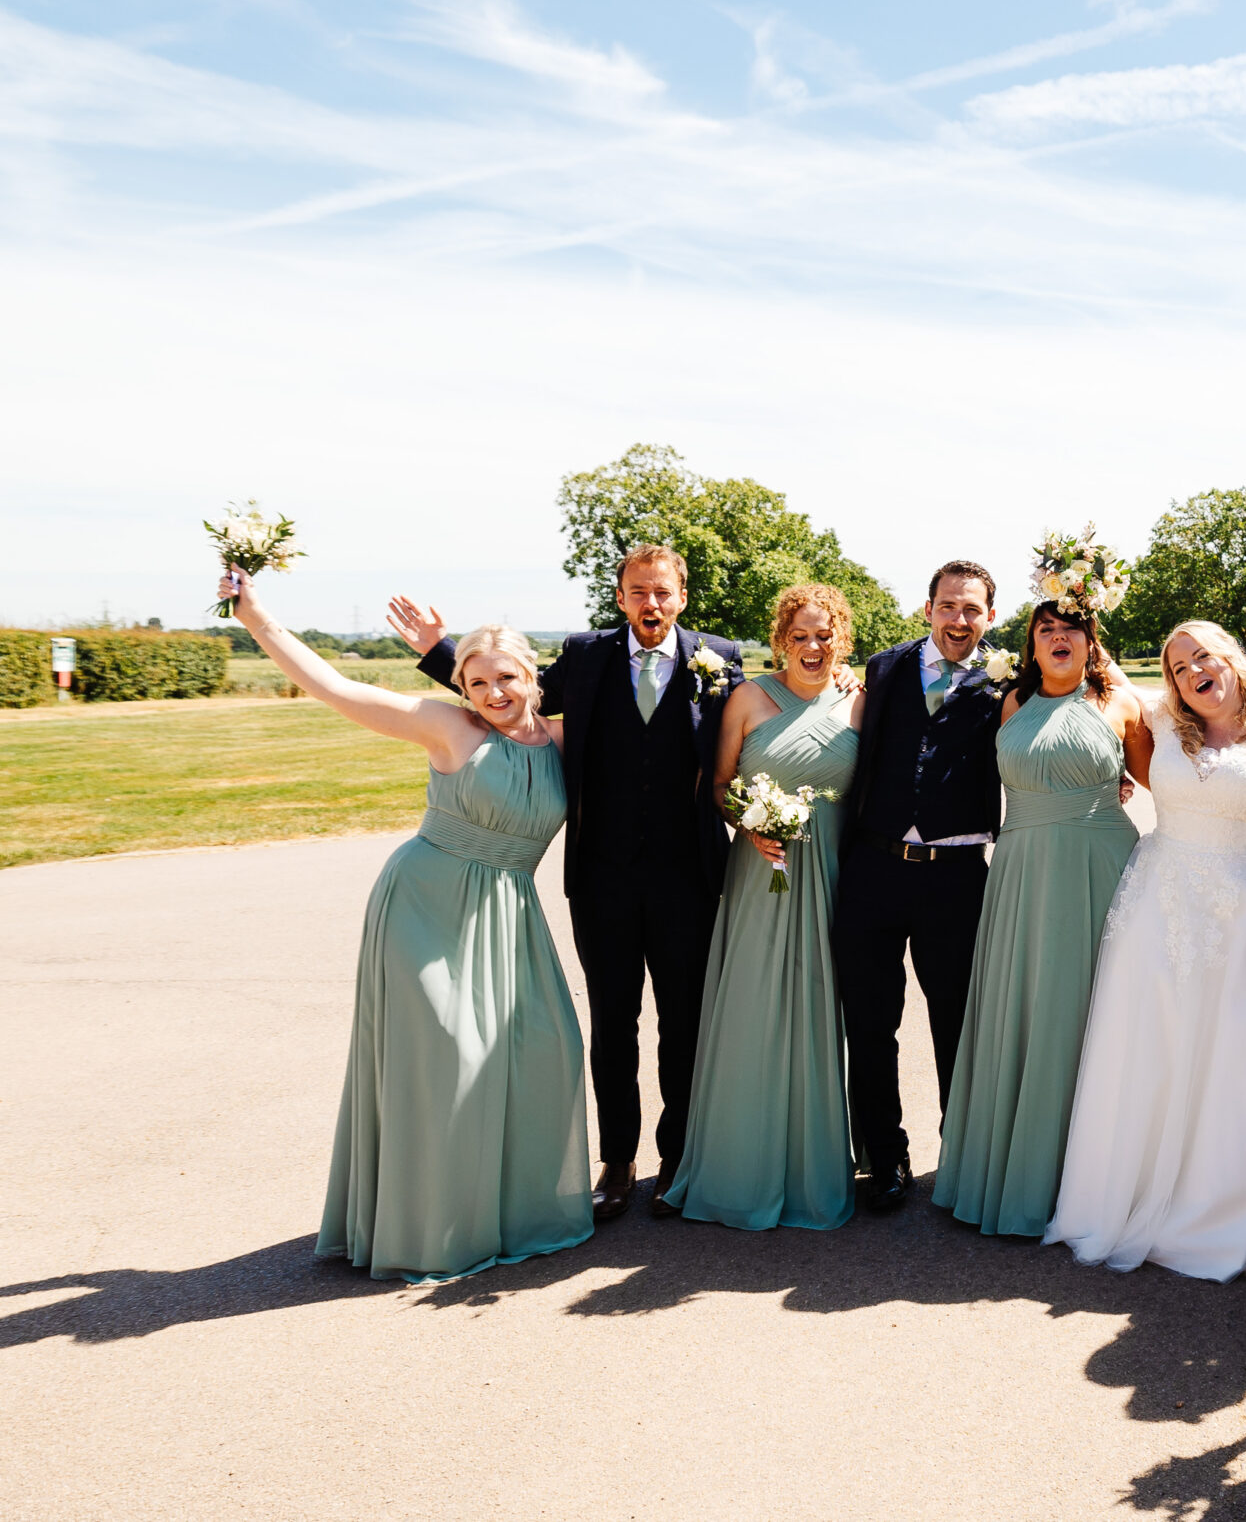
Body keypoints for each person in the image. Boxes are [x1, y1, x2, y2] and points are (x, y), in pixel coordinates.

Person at [226, 569, 591, 1283]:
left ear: (533, 677)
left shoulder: (561, 739)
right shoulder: (444, 723)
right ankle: (431, 1228)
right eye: (477, 681)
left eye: (507, 678)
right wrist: (257, 620)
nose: (493, 693)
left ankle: (510, 1213)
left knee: (544, 1048)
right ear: (460, 684)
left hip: (509, 916)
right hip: (425, 904)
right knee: (447, 1054)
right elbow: (335, 688)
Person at [392, 545, 743, 1222]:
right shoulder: (585, 655)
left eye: (663, 592)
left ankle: (679, 1157)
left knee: (686, 1023)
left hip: (688, 878)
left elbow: (747, 723)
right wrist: (440, 650)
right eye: (639, 591)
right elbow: (514, 694)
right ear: (620, 597)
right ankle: (617, 1161)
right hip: (603, 877)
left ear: (682, 596)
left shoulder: (719, 657)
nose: (652, 603)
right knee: (613, 1022)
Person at [1046, 620, 1246, 1279]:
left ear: (1231, 658)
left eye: (1202, 656)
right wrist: (1081, 596)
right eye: (1179, 666)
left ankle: (1240, 1199)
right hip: (1161, 908)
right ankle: (1137, 1190)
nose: (1193, 672)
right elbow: (1090, 672)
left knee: (1245, 1056)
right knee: (1157, 1050)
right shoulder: (1158, 721)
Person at [932, 600, 1149, 1237]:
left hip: (1099, 868)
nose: (1058, 638)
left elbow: (1167, 777)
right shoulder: (1009, 703)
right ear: (1031, 643)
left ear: (1090, 639)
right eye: (1045, 630)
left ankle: (1095, 1179)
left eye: (1070, 629)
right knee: (1026, 1010)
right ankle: (1018, 1169)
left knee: (1089, 1012)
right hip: (1022, 874)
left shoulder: (1122, 704)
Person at [664, 584, 865, 1232]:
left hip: (832, 875)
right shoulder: (749, 698)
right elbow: (719, 785)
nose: (812, 646)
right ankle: (738, 1164)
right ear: (781, 639)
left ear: (842, 637)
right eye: (800, 635)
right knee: (752, 1007)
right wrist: (747, 822)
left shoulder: (861, 702)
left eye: (824, 635)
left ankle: (813, 1165)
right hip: (760, 872)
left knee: (819, 1010)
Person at [836, 560, 1007, 1214]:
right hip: (873, 869)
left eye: (972, 609)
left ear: (990, 615)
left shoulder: (1008, 681)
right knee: (870, 1023)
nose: (959, 619)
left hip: (956, 876)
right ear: (928, 608)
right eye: (948, 606)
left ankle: (960, 1153)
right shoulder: (881, 669)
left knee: (957, 1022)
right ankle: (886, 1158)